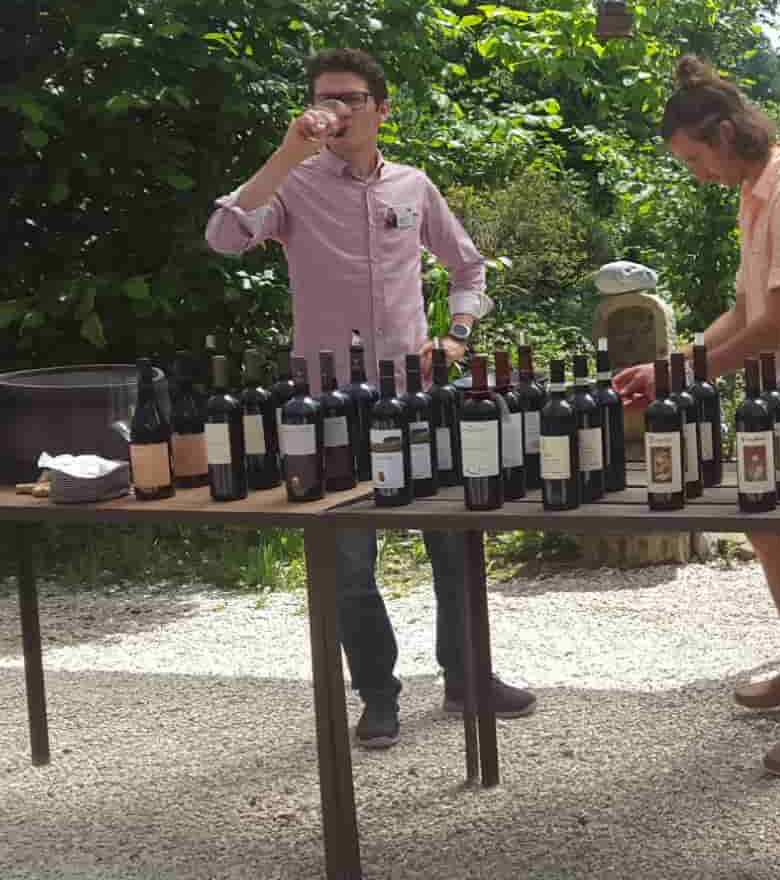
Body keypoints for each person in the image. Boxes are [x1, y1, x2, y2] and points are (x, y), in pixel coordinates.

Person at [205, 48, 537, 749]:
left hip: (414, 394)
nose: (337, 111)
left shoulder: (413, 186)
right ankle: (378, 696)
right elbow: (225, 236)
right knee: (349, 561)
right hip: (328, 403)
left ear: (381, 109)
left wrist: (458, 334)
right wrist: (285, 153)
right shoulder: (293, 185)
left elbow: (468, 267)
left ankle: (467, 677)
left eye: (351, 98)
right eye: (325, 98)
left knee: (454, 541)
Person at [615, 55, 780, 776]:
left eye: (696, 159)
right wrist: (670, 366)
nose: (698, 174)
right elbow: (743, 310)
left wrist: (684, 375)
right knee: (764, 531)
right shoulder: (758, 195)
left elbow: (779, 322)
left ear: (725, 135)